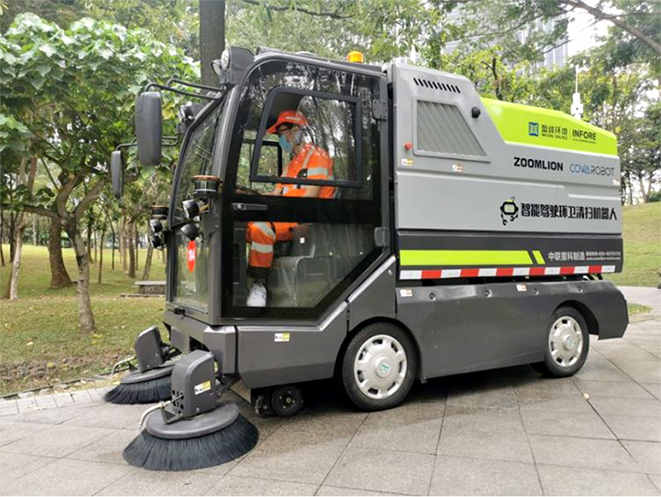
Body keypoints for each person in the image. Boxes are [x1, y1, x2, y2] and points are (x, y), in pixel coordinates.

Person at [246, 109, 335, 307]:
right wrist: (250, 196)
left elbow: (310, 198)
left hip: (305, 218)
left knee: (261, 229)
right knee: (247, 222)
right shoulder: (292, 164)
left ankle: (259, 284)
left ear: (296, 131)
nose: (280, 139)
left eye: (281, 134)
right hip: (287, 216)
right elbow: (277, 193)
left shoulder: (318, 156)